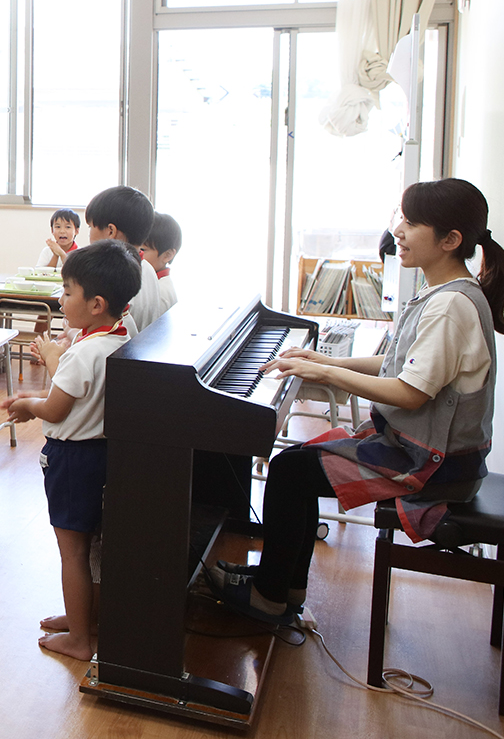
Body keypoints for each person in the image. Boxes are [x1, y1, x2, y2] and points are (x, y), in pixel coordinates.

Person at [213, 178, 502, 626]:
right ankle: (282, 586)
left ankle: (271, 594)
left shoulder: (452, 306)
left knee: (291, 471)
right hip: (423, 447)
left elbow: (410, 391)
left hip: (432, 463)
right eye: (401, 218)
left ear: (451, 240)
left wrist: (326, 371)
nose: (398, 232)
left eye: (412, 222)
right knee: (296, 463)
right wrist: (324, 358)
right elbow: (397, 361)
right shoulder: (447, 292)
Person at [0, 241, 141, 660]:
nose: (60, 300)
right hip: (101, 454)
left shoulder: (81, 354)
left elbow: (56, 409)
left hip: (71, 459)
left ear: (96, 303)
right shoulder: (120, 335)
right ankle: (85, 616)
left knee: (72, 551)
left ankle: (79, 639)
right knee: (90, 546)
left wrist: (27, 406)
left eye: (67, 292)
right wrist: (57, 356)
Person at [84, 185, 161, 334]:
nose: (90, 236)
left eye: (90, 228)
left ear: (110, 231)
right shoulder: (148, 268)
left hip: (116, 353)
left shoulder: (114, 278)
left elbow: (100, 334)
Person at [141, 213, 182, 314]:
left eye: (142, 250)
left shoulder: (160, 293)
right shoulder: (151, 283)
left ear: (167, 255)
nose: (136, 254)